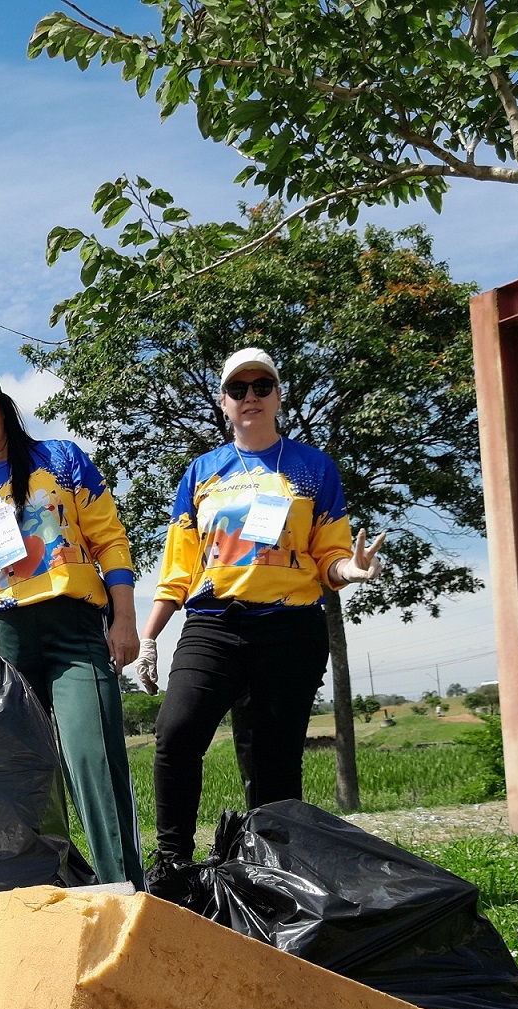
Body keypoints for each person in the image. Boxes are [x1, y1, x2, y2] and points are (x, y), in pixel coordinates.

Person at [136, 347, 385, 879]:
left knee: (274, 764)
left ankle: (272, 873)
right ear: (223, 401)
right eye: (238, 389)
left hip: (290, 630)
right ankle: (172, 864)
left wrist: (352, 570)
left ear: (278, 396)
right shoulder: (202, 472)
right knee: (177, 733)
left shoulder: (313, 468)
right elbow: (179, 568)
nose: (250, 396)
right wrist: (150, 637)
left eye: (261, 386)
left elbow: (330, 557)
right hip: (213, 625)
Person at [0, 362, 143, 886]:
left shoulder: (63, 459)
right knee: (29, 778)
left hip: (74, 629)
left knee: (93, 758)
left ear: (1, 404)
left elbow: (109, 539)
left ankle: (126, 893)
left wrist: (124, 618)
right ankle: (53, 896)